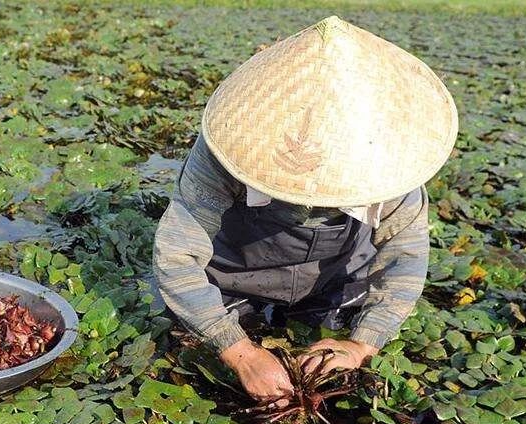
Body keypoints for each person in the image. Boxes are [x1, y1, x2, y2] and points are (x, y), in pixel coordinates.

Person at [152, 16, 458, 403]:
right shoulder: (228, 149)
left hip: (336, 278)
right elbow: (177, 255)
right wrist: (241, 353)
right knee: (188, 348)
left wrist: (361, 345)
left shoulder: (389, 165)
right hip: (233, 274)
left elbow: (405, 260)